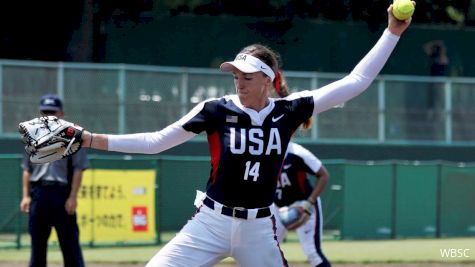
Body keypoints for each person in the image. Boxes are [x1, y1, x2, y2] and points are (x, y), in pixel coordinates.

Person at [75, 4, 411, 266]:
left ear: (268, 80)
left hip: (259, 228)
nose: (239, 82)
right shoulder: (216, 109)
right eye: (235, 75)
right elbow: (157, 141)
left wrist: (392, 32)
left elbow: (355, 83)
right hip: (211, 221)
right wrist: (90, 138)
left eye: (248, 76)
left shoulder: (288, 110)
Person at [20, 94, 89, 267]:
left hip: (61, 194)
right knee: (38, 243)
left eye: (53, 112)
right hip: (39, 194)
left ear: (61, 113)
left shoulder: (73, 136)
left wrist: (73, 196)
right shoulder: (32, 136)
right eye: (46, 112)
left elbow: (78, 169)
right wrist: (26, 196)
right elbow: (27, 170)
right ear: (40, 113)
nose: (49, 116)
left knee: (69, 243)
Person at [272, 141, 331, 267]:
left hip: (303, 204)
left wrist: (309, 205)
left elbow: (324, 175)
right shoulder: (262, 152)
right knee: (266, 251)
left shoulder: (297, 153)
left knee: (313, 253)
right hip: (276, 207)